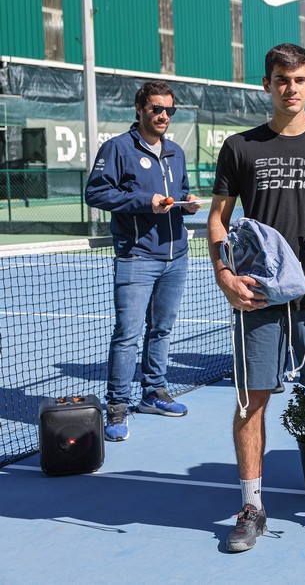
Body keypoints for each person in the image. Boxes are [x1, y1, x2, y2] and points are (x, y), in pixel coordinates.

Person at [208, 44, 305, 552]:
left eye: (298, 79)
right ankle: (252, 505)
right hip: (259, 292)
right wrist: (224, 274)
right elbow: (218, 218)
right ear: (267, 84)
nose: (290, 88)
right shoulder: (240, 147)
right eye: (280, 80)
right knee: (252, 400)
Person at [85, 81, 201, 442]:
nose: (163, 115)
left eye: (169, 109)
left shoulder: (176, 152)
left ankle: (154, 393)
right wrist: (144, 201)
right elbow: (96, 191)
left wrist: (188, 200)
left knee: (162, 330)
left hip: (176, 256)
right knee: (127, 336)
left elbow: (177, 191)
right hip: (136, 257)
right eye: (156, 108)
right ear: (140, 108)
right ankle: (117, 408)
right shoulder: (117, 148)